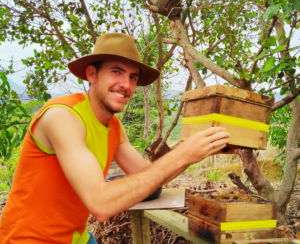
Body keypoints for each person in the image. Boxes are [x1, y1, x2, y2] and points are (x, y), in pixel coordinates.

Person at [0, 33, 230, 244]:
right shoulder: (62, 116)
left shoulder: (114, 126)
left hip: (75, 236)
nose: (126, 85)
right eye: (116, 72)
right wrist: (183, 154)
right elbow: (101, 204)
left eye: (132, 77)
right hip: (27, 238)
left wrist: (197, 150)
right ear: (92, 74)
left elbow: (150, 177)